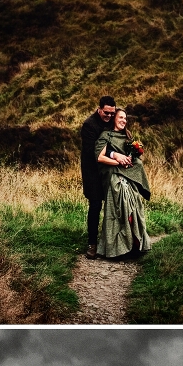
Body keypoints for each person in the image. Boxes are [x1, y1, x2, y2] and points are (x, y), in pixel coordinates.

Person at [95, 107, 151, 260]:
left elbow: (133, 160)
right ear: (114, 118)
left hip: (128, 177)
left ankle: (134, 246)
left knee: (134, 210)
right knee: (121, 211)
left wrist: (129, 159)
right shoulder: (106, 136)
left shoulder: (127, 137)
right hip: (115, 178)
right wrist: (116, 159)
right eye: (120, 117)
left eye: (125, 119)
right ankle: (117, 249)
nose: (123, 121)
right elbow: (99, 158)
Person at [81, 97, 116, 258]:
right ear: (99, 109)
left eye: (112, 113)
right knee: (95, 206)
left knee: (115, 206)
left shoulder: (113, 120)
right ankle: (92, 243)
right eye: (106, 113)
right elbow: (92, 151)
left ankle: (113, 243)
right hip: (93, 172)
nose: (109, 116)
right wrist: (114, 155)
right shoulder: (89, 125)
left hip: (110, 171)